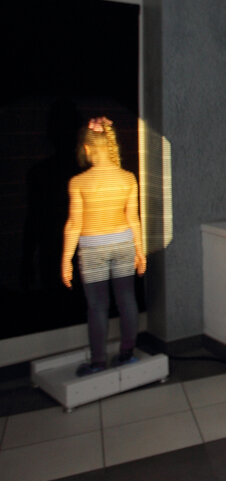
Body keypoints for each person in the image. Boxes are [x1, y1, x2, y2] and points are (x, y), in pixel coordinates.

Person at [62, 117, 146, 377]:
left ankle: (98, 361)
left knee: (97, 306)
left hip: (93, 248)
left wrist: (65, 259)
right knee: (127, 299)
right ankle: (127, 353)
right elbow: (134, 218)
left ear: (87, 149)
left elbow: (74, 224)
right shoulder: (128, 178)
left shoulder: (79, 182)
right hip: (123, 243)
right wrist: (140, 251)